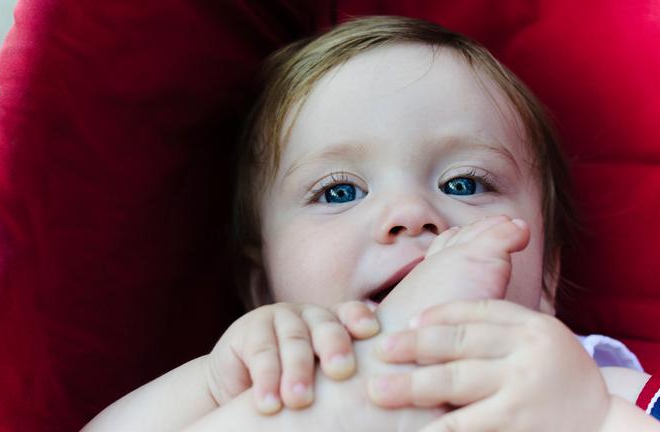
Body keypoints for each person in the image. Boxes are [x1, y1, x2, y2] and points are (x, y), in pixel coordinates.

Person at [83, 16, 659, 431]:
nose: (410, 215)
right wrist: (212, 382)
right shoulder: (275, 374)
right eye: (339, 191)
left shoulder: (578, 377)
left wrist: (592, 416)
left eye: (464, 184)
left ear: (549, 275)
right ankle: (351, 394)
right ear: (262, 286)